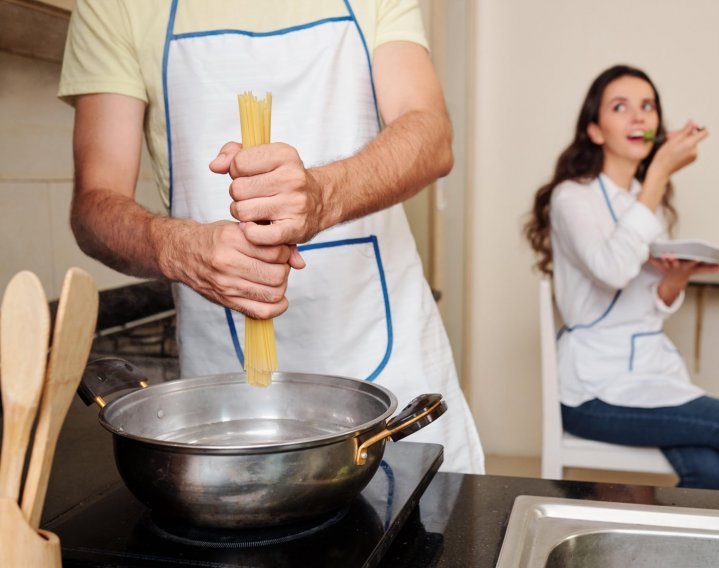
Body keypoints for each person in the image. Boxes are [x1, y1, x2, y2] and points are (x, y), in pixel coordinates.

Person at [59, 0, 484, 474]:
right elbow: (94, 204)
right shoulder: (113, 6)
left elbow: (430, 132)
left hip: (395, 372)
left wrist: (323, 195)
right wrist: (176, 248)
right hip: (229, 400)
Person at [525, 65, 719, 491]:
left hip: (647, 377)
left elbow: (643, 301)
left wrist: (675, 281)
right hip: (592, 391)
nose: (639, 117)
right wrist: (659, 173)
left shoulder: (642, 201)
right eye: (621, 107)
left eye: (648, 107)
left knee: (711, 468)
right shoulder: (572, 197)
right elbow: (614, 271)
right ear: (596, 131)